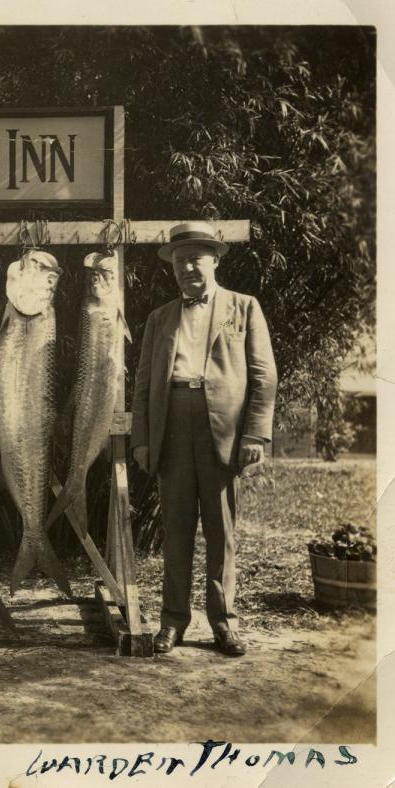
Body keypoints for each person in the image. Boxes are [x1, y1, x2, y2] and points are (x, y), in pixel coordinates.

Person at [130, 221, 277, 657]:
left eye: (197, 258)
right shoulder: (160, 318)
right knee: (174, 531)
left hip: (224, 430)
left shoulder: (244, 307)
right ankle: (172, 623)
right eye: (179, 261)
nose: (188, 267)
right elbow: (141, 384)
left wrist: (254, 433)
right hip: (171, 423)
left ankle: (224, 623)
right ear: (172, 268)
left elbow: (264, 376)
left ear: (215, 260)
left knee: (221, 531)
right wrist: (142, 438)